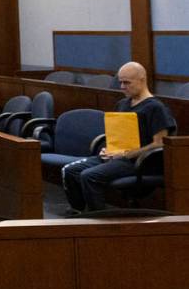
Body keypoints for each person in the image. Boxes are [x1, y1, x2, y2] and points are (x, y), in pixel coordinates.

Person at [63, 62, 177, 212]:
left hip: (138, 162)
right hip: (118, 156)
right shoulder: (123, 104)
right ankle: (78, 211)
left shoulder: (155, 108)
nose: (122, 87)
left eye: (127, 82)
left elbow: (159, 144)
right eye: (120, 82)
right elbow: (117, 135)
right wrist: (108, 148)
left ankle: (100, 221)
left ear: (142, 80)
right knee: (69, 170)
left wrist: (125, 154)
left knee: (89, 176)